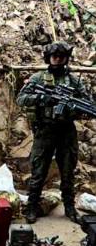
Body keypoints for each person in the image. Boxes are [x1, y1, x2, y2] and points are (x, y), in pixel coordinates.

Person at [17, 41, 92, 224]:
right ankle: (32, 207)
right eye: (54, 56)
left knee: (68, 171)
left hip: (66, 131)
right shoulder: (38, 78)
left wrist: (75, 108)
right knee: (39, 170)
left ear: (66, 58)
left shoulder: (74, 81)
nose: (58, 59)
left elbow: (87, 103)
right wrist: (43, 98)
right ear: (49, 58)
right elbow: (21, 99)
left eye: (61, 56)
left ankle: (69, 207)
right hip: (45, 130)